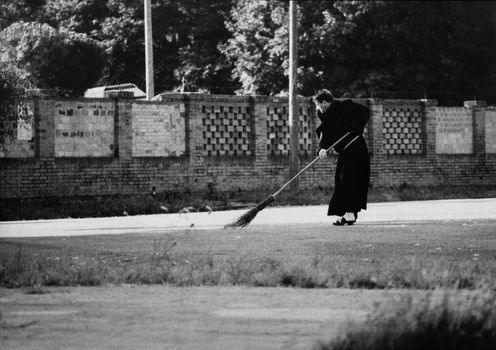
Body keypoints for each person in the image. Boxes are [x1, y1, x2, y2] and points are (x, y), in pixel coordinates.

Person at [312, 89, 370, 226]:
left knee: (348, 180)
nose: (317, 108)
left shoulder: (344, 106)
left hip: (356, 148)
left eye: (318, 104)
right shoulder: (327, 115)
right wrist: (322, 148)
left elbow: (365, 112)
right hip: (346, 151)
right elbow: (326, 131)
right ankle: (350, 214)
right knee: (342, 179)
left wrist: (356, 127)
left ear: (325, 102)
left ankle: (350, 214)